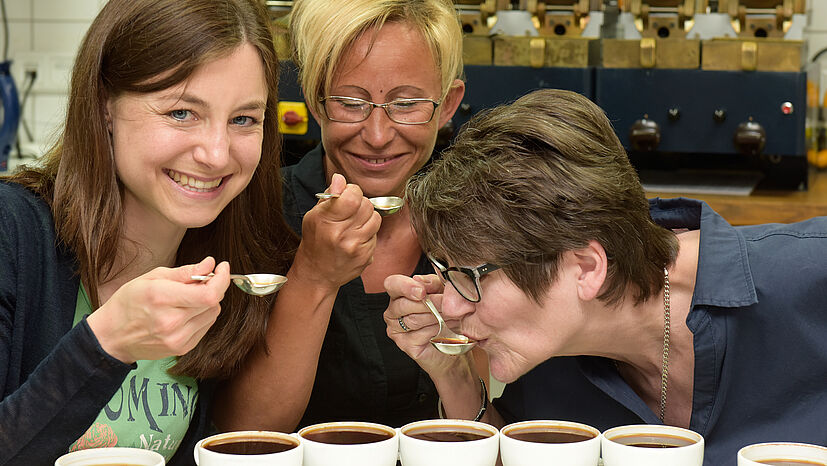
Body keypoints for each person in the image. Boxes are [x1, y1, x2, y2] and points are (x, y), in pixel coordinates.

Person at [383, 88, 827, 465]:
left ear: (587, 267)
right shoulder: (546, 351)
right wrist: (455, 374)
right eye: (447, 274)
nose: (452, 306)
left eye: (471, 277)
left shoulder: (811, 279)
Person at [0, 0, 297, 464]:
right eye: (181, 113)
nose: (217, 155)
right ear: (104, 108)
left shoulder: (228, 263)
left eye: (243, 119)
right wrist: (106, 345)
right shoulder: (11, 232)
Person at [214, 0, 489, 431]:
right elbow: (241, 438)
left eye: (407, 104)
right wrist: (314, 277)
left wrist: (453, 370)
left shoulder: (471, 229)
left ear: (449, 104)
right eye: (350, 102)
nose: (378, 137)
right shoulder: (249, 213)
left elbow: (482, 436)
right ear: (314, 100)